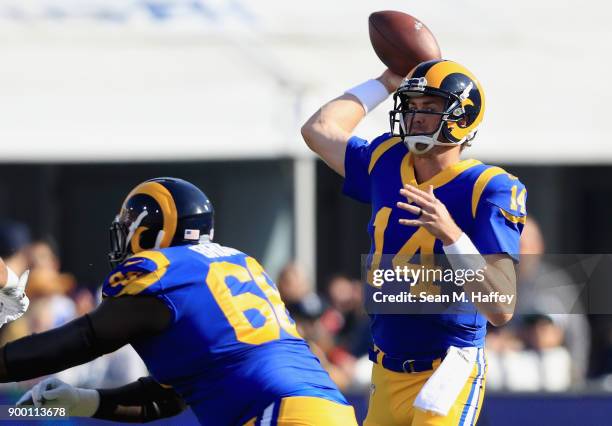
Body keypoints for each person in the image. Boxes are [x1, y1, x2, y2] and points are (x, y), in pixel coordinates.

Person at [6, 177, 357, 425]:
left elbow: (82, 340)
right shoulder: (239, 262)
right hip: (330, 411)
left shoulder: (160, 272)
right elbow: (168, 396)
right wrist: (81, 401)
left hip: (278, 414)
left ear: (152, 229)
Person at [301, 59, 526, 425]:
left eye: (431, 108)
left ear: (462, 117)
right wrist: (384, 82)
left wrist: (451, 234)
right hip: (385, 366)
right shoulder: (386, 159)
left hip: (449, 367)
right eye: (413, 106)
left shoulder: (490, 188)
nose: (416, 117)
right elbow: (318, 129)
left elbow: (501, 308)